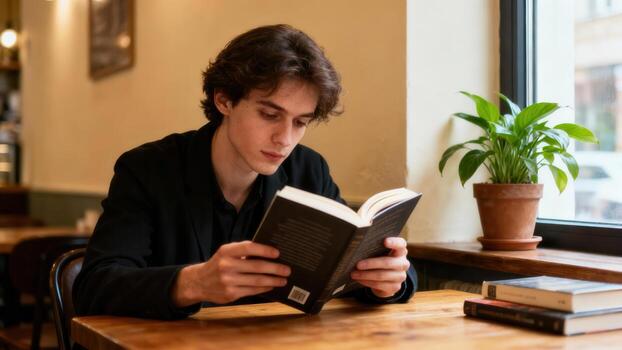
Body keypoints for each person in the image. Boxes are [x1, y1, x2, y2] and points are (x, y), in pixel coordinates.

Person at [74, 24, 417, 319]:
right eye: (270, 114)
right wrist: (193, 282)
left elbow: (355, 264)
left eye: (300, 122)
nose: (285, 139)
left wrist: (389, 282)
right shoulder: (147, 169)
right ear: (224, 101)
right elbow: (94, 287)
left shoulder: (308, 169)